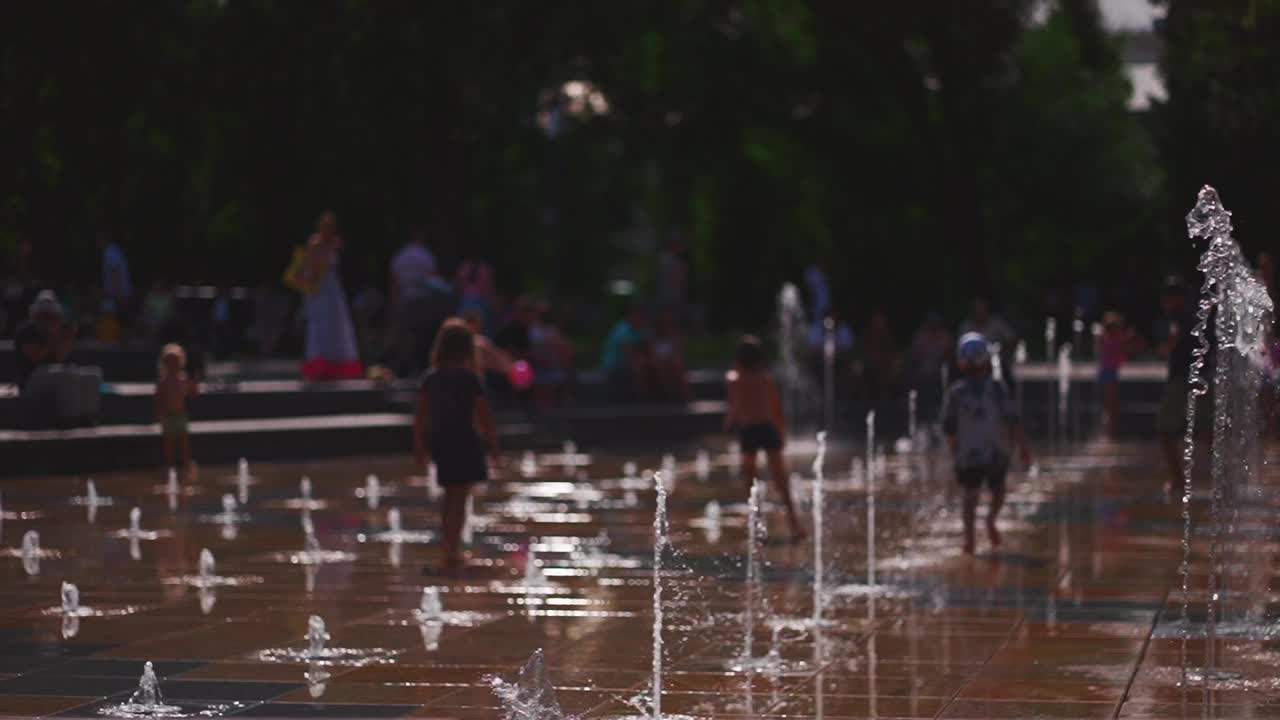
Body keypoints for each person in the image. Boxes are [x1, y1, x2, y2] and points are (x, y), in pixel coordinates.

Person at [413, 318, 498, 576]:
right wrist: (493, 446)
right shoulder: (470, 379)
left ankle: (449, 547)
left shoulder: (431, 378)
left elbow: (420, 417)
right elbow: (484, 417)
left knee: (450, 496)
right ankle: (452, 550)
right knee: (459, 498)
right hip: (465, 441)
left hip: (442, 441)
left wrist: (420, 447)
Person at [942, 332, 1032, 555]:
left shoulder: (985, 389)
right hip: (987, 451)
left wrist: (954, 452)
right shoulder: (966, 391)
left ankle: (979, 529)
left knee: (976, 495)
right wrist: (1023, 447)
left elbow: (950, 428)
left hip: (982, 452)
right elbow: (1013, 420)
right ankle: (979, 530)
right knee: (987, 492)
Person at [724, 335, 803, 541]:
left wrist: (729, 422)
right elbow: (776, 408)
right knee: (781, 481)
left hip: (749, 430)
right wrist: (781, 431)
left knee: (750, 482)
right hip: (767, 428)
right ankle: (795, 525)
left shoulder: (734, 378)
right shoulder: (765, 378)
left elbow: (735, 405)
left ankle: (758, 526)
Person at [301, 211, 363, 380]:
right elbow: (310, 266)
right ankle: (319, 365)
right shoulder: (315, 243)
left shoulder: (335, 243)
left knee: (337, 326)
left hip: (333, 290)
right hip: (320, 289)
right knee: (320, 326)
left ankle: (337, 366)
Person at [1156, 278, 1197, 494]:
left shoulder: (1177, 318)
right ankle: (1230, 476)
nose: (1165, 301)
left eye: (1169, 297)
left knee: (1164, 430)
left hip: (1181, 379)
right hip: (1197, 377)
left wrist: (1166, 349)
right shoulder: (1193, 317)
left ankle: (1177, 480)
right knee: (1205, 432)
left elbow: (1174, 334)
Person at [14, 290, 76, 392]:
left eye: (50, 316)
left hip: (55, 377)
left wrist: (62, 337)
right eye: (43, 315)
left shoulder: (60, 331)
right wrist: (50, 338)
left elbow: (61, 357)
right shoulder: (26, 331)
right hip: (30, 379)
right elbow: (37, 358)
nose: (47, 320)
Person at [155, 343, 196, 475]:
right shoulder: (163, 380)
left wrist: (194, 384)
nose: (173, 365)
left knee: (184, 441)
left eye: (175, 362)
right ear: (165, 363)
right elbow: (158, 397)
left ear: (181, 362)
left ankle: (187, 463)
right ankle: (170, 465)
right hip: (168, 415)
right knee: (169, 442)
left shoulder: (183, 378)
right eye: (170, 362)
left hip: (180, 414)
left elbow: (192, 392)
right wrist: (159, 412)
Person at [601, 305, 653, 401]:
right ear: (630, 316)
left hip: (630, 364)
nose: (641, 319)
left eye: (642, 317)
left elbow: (649, 351)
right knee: (639, 365)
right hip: (614, 367)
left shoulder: (643, 330)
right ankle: (642, 396)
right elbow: (630, 355)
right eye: (638, 316)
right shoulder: (622, 331)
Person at [1096, 311, 1133, 437]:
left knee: (1111, 403)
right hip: (1109, 373)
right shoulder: (1112, 340)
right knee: (1111, 404)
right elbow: (1123, 354)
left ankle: (1110, 431)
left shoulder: (1107, 339)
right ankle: (1111, 432)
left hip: (1108, 372)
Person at [97, 233, 133, 333]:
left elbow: (115, 271)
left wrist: (117, 291)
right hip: (120, 290)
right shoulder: (114, 250)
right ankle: (122, 335)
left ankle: (121, 336)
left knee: (119, 315)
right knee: (121, 315)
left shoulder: (110, 252)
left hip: (118, 291)